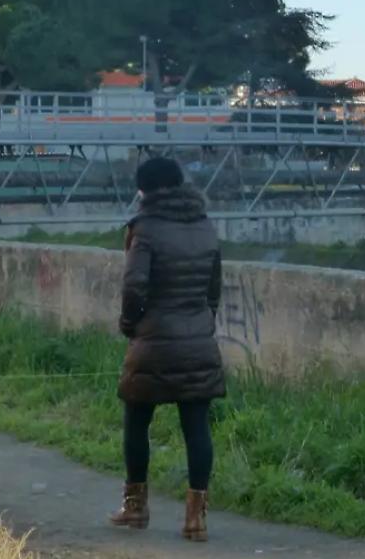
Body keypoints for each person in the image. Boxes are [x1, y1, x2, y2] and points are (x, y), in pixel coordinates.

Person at [109, 156, 224, 542]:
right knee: (196, 427)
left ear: (144, 190)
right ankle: (196, 519)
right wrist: (202, 324)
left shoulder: (145, 228)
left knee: (137, 419)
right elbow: (213, 291)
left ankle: (136, 507)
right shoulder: (206, 227)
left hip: (154, 341)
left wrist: (130, 325)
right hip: (198, 341)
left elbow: (133, 287)